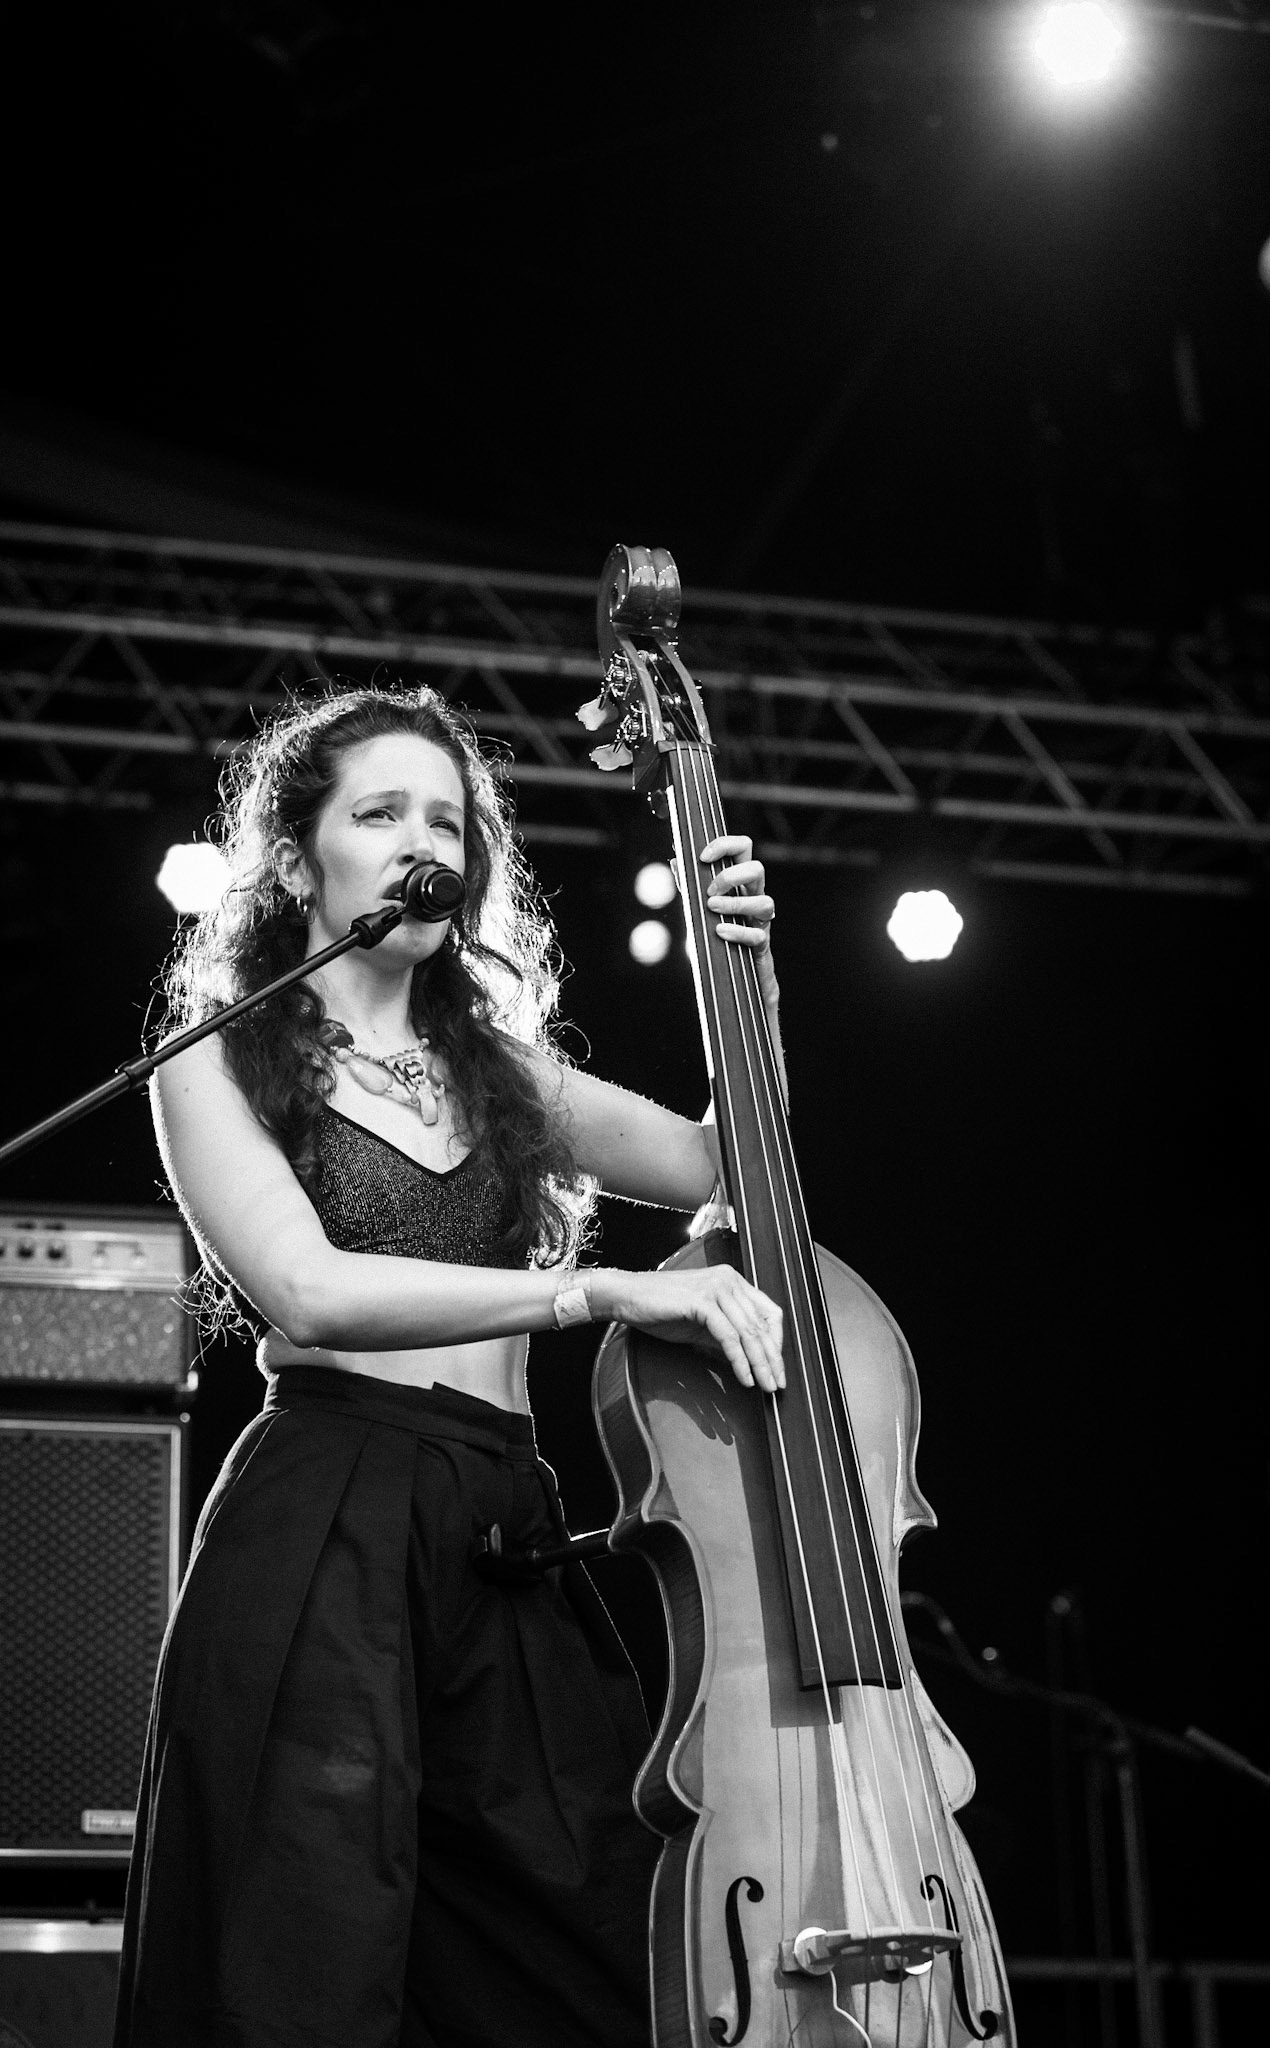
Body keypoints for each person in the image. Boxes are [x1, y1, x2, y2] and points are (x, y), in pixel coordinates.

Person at [113, 684, 786, 2048]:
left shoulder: (499, 1072)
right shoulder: (213, 1061)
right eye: (381, 812)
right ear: (300, 863)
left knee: (581, 1947)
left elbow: (724, 1166)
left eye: (449, 817)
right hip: (327, 1518)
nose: (426, 838)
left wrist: (750, 980)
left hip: (506, 1536)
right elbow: (306, 1289)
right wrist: (586, 1288)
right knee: (300, 1953)